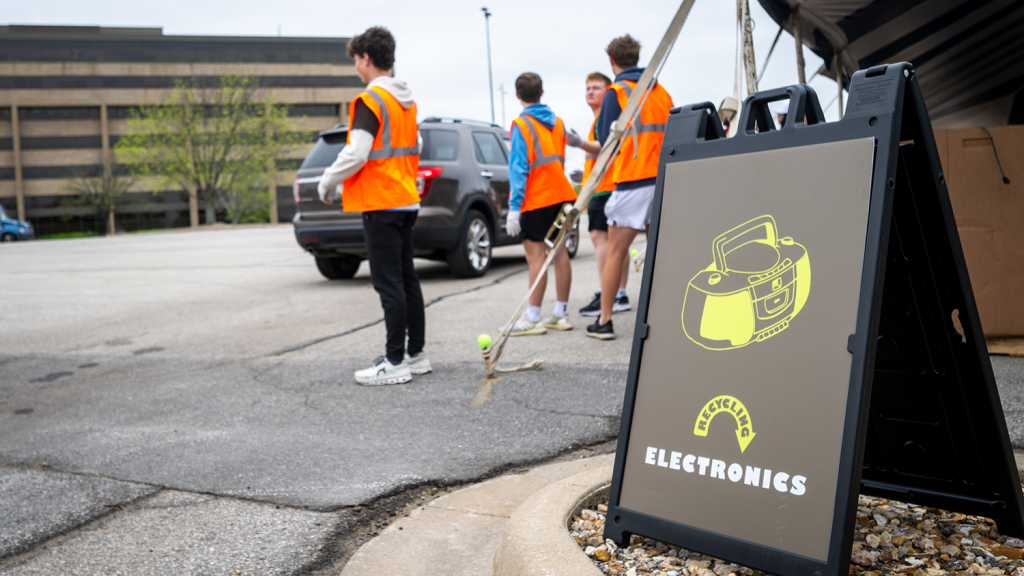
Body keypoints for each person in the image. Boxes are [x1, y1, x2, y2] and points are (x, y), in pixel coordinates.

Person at [317, 27, 430, 385]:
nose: (356, 69)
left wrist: (328, 180)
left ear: (366, 58)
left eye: (355, 61)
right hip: (405, 200)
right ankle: (416, 354)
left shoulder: (370, 100)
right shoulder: (406, 102)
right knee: (407, 278)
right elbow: (418, 145)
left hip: (381, 202)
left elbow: (357, 152)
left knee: (388, 282)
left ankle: (394, 361)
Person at [585, 35, 673, 340]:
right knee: (659, 254)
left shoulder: (616, 93)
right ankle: (663, 317)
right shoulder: (659, 90)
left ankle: (605, 320)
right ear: (636, 58)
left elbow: (605, 141)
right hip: (664, 179)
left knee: (616, 253)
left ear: (612, 62)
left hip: (632, 181)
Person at [503, 72, 578, 336]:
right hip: (562, 196)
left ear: (517, 95)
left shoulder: (521, 125)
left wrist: (514, 207)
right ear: (541, 92)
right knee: (560, 253)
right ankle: (560, 313)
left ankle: (533, 317)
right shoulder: (557, 123)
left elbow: (518, 168)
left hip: (537, 199)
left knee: (536, 258)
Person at [568, 72, 631, 317]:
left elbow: (605, 146)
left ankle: (609, 293)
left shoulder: (602, 120)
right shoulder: (599, 119)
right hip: (607, 185)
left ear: (608, 92)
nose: (590, 92)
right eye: (588, 88)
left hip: (605, 187)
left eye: (596, 88)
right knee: (617, 245)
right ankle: (619, 294)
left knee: (602, 241)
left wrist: (578, 142)